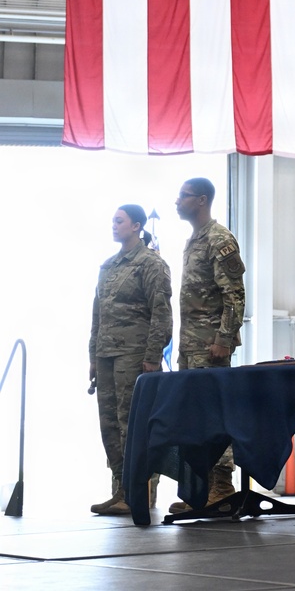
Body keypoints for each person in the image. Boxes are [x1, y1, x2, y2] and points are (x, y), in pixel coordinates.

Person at [89, 204, 172, 515]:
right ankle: (121, 489)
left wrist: (152, 356)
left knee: (132, 425)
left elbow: (161, 313)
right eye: (113, 220)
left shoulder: (150, 263)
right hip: (106, 355)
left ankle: (140, 490)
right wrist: (93, 356)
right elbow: (97, 315)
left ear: (136, 226)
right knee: (110, 424)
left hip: (135, 356)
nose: (114, 225)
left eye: (119, 221)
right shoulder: (108, 266)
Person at [169, 177, 246, 512]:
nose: (177, 201)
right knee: (192, 418)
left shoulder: (219, 239)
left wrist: (224, 339)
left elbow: (235, 295)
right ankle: (200, 493)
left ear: (201, 200)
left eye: (183, 196)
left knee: (213, 415)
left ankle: (222, 487)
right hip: (190, 346)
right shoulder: (194, 239)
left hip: (210, 346)